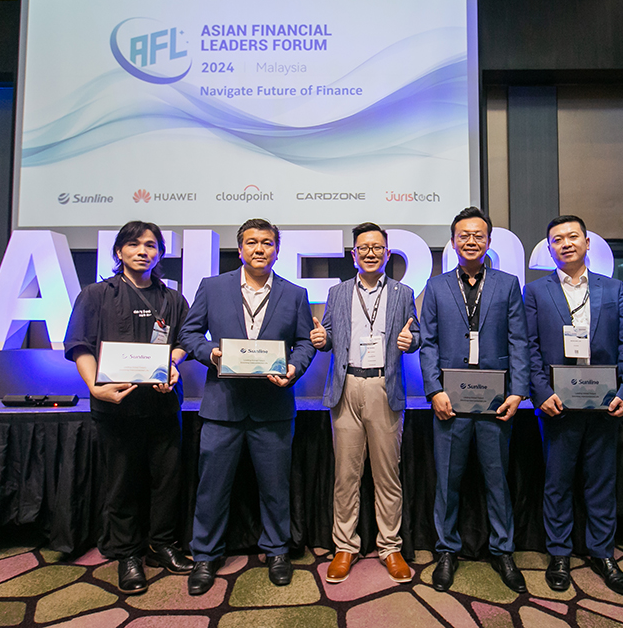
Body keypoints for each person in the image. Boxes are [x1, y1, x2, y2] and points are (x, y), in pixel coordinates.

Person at [179, 218, 316, 595]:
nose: (259, 248)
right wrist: (212, 353)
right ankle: (205, 555)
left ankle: (277, 551)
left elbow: (305, 342)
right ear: (240, 249)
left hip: (273, 407)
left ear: (277, 250)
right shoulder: (213, 287)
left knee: (275, 487)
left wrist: (294, 368)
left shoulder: (295, 294)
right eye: (252, 242)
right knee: (212, 488)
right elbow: (189, 334)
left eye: (267, 242)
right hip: (222, 406)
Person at [63, 220, 193, 594]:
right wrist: (94, 387)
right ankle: (128, 554)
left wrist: (173, 363)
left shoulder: (173, 299)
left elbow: (184, 341)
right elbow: (79, 345)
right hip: (115, 407)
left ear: (160, 253)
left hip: (163, 405)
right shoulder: (95, 295)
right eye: (134, 244)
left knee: (166, 480)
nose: (142, 251)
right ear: (119, 251)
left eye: (151, 245)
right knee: (121, 483)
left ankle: (162, 544)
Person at [523, 215, 623, 597]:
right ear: (549, 249)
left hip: (605, 404)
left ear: (588, 243)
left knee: (601, 484)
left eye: (572, 236)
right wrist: (541, 393)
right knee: (557, 484)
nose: (566, 243)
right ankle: (559, 555)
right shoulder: (535, 292)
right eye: (557, 239)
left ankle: (603, 554)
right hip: (558, 405)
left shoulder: (614, 289)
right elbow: (529, 349)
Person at [419, 206, 529, 594]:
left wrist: (518, 391)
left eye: (478, 235)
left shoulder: (507, 284)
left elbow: (518, 341)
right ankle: (446, 550)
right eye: (463, 235)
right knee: (447, 482)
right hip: (449, 403)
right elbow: (428, 343)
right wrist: (434, 390)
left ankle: (503, 551)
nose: (471, 241)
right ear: (453, 242)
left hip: (496, 402)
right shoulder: (435, 287)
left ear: (488, 241)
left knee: (497, 481)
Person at [310, 222, 420, 584]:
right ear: (354, 254)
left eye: (377, 248)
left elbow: (416, 333)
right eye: (363, 248)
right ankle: (345, 546)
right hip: (347, 385)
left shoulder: (403, 293)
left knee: (387, 475)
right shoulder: (338, 292)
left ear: (387, 254)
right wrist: (322, 339)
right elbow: (328, 336)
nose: (370, 253)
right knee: (346, 475)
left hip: (385, 387)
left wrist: (412, 341)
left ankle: (390, 547)